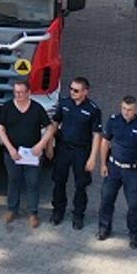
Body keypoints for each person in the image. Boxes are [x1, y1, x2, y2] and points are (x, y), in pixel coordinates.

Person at [48, 77, 104, 230]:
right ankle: (57, 211)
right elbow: (55, 123)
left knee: (81, 184)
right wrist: (49, 145)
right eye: (71, 89)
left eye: (76, 90)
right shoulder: (64, 103)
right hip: (63, 148)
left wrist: (93, 157)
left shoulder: (93, 109)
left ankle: (78, 215)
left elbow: (96, 135)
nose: (72, 92)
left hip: (81, 151)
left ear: (85, 92)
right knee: (59, 181)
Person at [94, 96, 137, 248]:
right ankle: (104, 228)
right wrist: (103, 164)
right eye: (124, 108)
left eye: (130, 109)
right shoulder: (113, 121)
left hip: (133, 171)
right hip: (114, 168)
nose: (126, 112)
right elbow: (105, 142)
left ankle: (134, 233)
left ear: (136, 109)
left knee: (134, 204)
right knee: (106, 199)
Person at [0, 79, 50, 226]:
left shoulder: (37, 108)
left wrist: (41, 145)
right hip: (13, 154)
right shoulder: (7, 107)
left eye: (21, 92)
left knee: (33, 183)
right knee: (13, 181)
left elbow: (50, 128)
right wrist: (10, 148)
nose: (18, 95)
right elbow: (0, 128)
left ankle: (33, 213)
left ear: (29, 93)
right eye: (16, 92)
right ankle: (12, 210)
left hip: (32, 155)